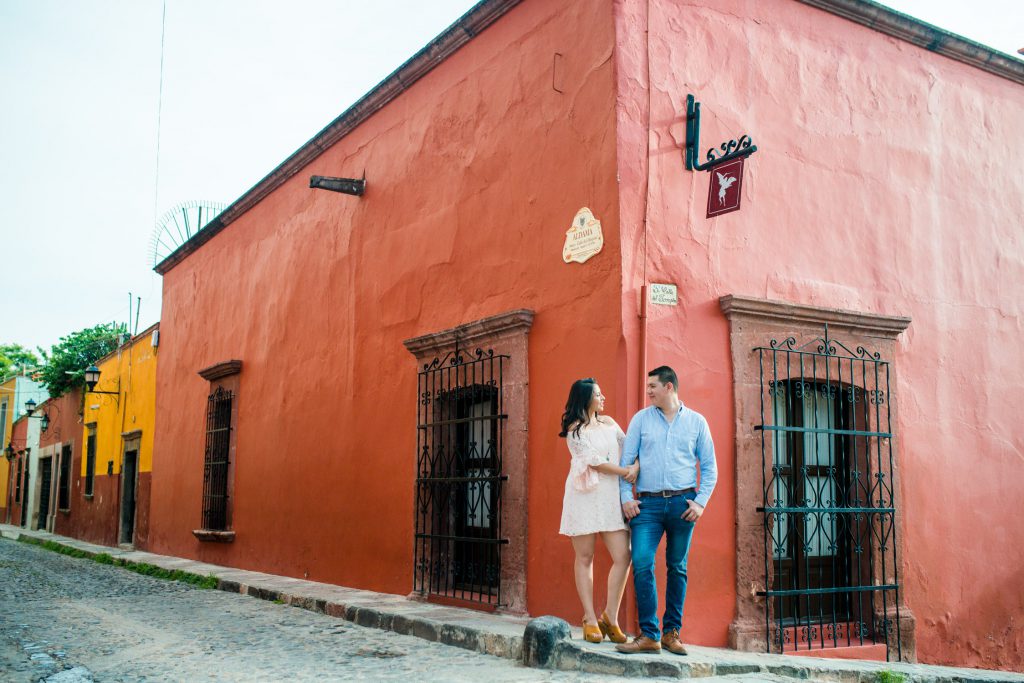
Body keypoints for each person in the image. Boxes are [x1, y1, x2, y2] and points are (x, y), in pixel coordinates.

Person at [615, 366, 718, 655]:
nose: (648, 391)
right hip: (646, 505)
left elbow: (710, 468)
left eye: (653, 386)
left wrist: (700, 503)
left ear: (669, 387)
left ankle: (672, 633)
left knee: (677, 567)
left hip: (683, 504)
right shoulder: (640, 420)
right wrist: (626, 497)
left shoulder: (697, 423)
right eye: (648, 387)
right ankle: (649, 634)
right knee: (643, 561)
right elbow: (627, 462)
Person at [559, 378, 639, 644]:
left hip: (609, 496)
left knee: (623, 555)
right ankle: (589, 618)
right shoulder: (575, 430)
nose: (603, 397)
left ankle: (610, 617)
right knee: (585, 557)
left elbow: (629, 446)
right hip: (583, 496)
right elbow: (593, 462)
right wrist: (626, 472)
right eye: (598, 394)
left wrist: (635, 465)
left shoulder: (610, 423)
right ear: (585, 398)